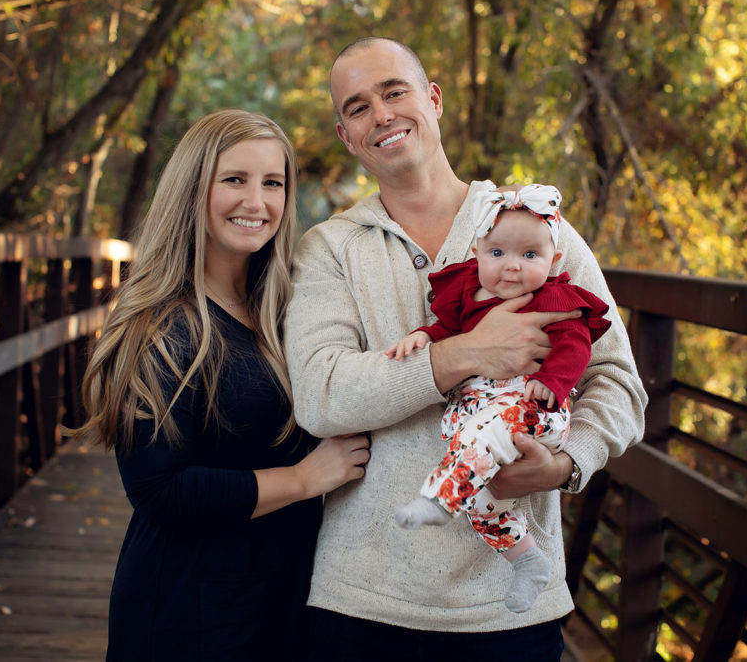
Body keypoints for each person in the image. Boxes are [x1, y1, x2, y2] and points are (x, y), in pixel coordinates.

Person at [283, 37, 648, 660]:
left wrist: (569, 463)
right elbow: (321, 397)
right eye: (359, 107)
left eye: (394, 92)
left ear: (433, 99)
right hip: (364, 600)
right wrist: (467, 354)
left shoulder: (536, 230)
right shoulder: (329, 248)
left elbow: (616, 379)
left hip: (508, 604)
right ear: (347, 135)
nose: (382, 114)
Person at [72, 109, 370, 662]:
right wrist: (305, 478)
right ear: (192, 188)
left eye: (273, 183)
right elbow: (160, 490)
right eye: (234, 179)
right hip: (190, 613)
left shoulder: (288, 310)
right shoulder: (158, 324)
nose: (256, 203)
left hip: (282, 600)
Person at [386, 183, 612, 614]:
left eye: (530, 256)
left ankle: (440, 497)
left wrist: (553, 381)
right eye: (498, 254)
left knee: (489, 434)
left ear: (554, 261)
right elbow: (447, 332)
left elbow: (576, 346)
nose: (511, 267)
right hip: (477, 413)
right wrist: (423, 336)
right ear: (477, 252)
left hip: (531, 409)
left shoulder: (556, 298)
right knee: (484, 504)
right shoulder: (469, 293)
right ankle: (528, 562)